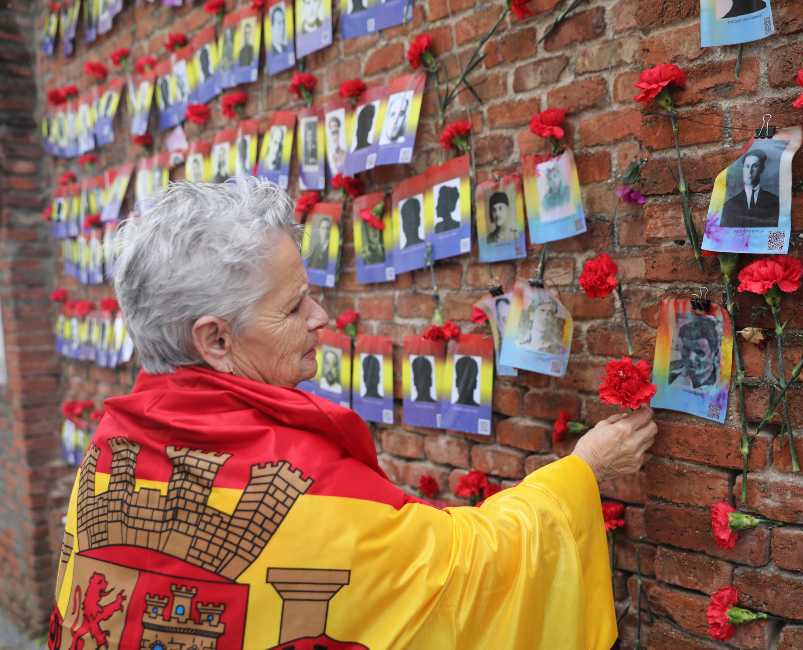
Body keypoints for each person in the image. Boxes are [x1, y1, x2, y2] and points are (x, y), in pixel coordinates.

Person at [55, 179, 655, 646]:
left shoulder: (108, 457)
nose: (321, 318)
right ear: (215, 341)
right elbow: (464, 571)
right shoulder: (295, 484)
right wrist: (584, 471)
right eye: (293, 309)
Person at [721, 149, 778, 228]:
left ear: (762, 169)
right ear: (743, 168)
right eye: (747, 166)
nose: (750, 171)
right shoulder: (729, 206)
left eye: (755, 166)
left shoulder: (774, 201)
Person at [669, 316, 719, 390]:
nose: (691, 358)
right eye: (686, 350)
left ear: (715, 353)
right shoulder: (673, 379)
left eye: (699, 352)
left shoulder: (718, 388)